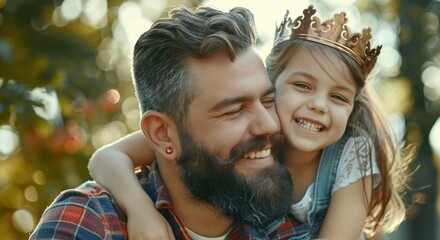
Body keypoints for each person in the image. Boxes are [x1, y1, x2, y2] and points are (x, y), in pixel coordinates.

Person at [88, 5, 412, 240]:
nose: (317, 106)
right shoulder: (95, 221)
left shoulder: (349, 156)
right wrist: (140, 209)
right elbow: (108, 156)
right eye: (302, 86)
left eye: (339, 97)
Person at [29, 5, 310, 240]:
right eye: (234, 110)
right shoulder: (92, 223)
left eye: (268, 100)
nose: (269, 125)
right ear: (163, 134)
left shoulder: (292, 226)